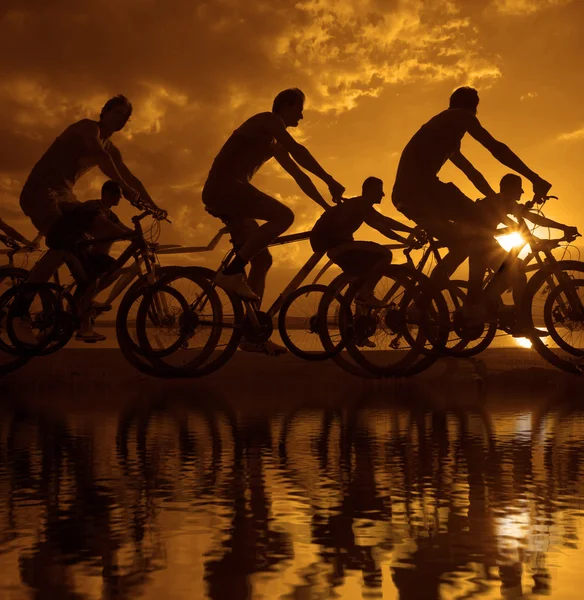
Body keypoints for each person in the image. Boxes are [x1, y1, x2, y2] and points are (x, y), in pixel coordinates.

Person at [202, 87, 345, 355]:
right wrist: (330, 180)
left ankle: (251, 334)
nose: (301, 117)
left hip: (232, 196)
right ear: (287, 105)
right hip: (225, 188)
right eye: (299, 110)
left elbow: (299, 175)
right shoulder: (268, 120)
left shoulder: (273, 141)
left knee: (263, 260)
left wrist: (326, 206)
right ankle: (232, 273)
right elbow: (298, 150)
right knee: (284, 216)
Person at [391, 86, 552, 320]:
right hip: (421, 192)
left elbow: (472, 172)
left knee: (463, 244)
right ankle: (473, 302)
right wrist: (534, 177)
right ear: (474, 108)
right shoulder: (460, 116)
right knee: (480, 222)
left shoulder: (444, 130)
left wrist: (496, 204)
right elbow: (496, 148)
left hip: (411, 194)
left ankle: (425, 304)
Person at [14, 95, 165, 344]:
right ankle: (20, 311)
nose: (122, 120)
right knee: (63, 242)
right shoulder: (87, 127)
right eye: (118, 113)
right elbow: (102, 159)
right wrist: (125, 190)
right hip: (40, 193)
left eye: (126, 117)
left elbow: (131, 177)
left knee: (107, 230)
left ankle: (84, 297)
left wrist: (154, 206)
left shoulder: (111, 149)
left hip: (66, 196)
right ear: (103, 112)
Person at [473, 173, 578, 335]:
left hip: (486, 244)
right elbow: (526, 222)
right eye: (519, 188)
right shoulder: (498, 202)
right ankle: (520, 322)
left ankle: (492, 304)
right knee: (518, 272)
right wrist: (563, 228)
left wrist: (563, 227)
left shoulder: (506, 203)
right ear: (510, 188)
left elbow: (532, 219)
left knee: (516, 269)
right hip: (481, 245)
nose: (522, 192)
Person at [44, 180, 134, 342]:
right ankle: (78, 312)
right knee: (89, 281)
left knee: (113, 270)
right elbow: (105, 225)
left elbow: (123, 228)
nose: (119, 198)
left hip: (84, 248)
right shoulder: (93, 206)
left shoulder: (110, 214)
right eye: (116, 194)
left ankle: (84, 305)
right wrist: (124, 234)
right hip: (71, 245)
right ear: (105, 193)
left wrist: (139, 237)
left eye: (120, 195)